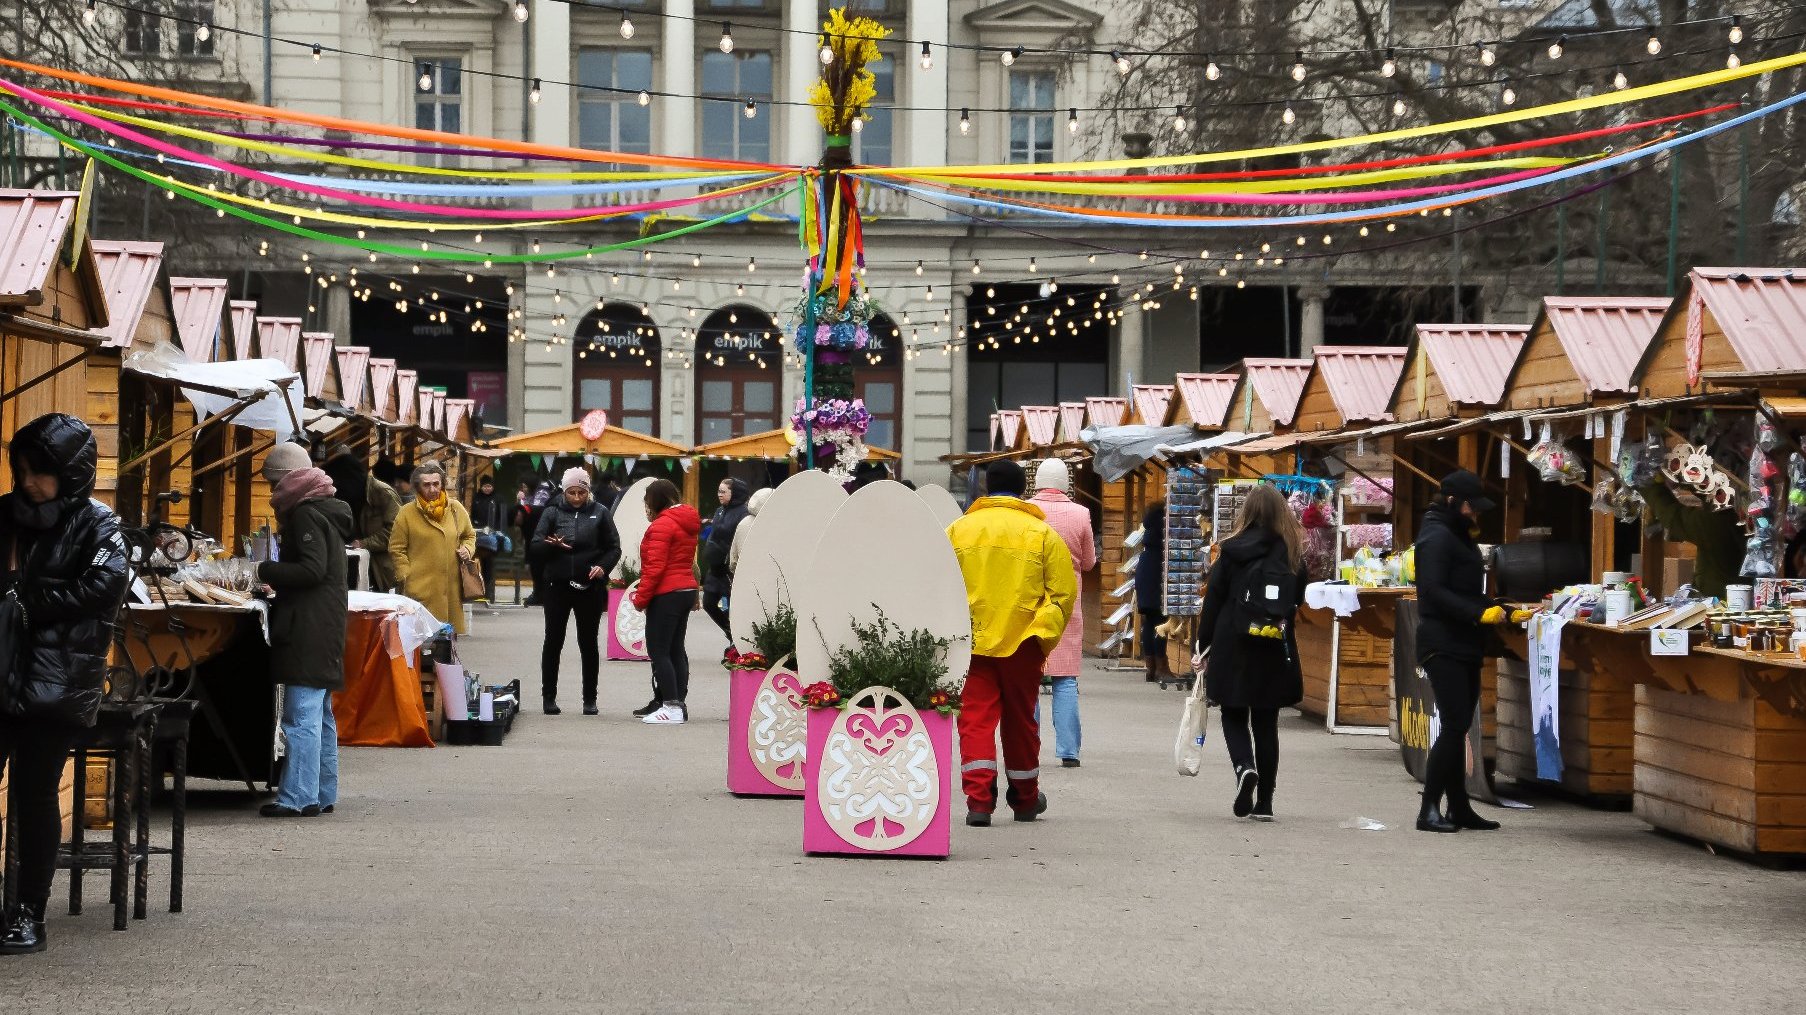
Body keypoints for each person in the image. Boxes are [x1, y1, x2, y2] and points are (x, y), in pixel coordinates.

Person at [0, 414, 130, 955]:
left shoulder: (100, 524)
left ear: (70, 472)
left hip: (53, 686)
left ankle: (29, 911)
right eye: (23, 469)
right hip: (1, 673)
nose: (30, 481)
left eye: (41, 471)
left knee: (33, 798)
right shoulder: (5, 516)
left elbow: (106, 583)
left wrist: (27, 604)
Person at [947, 459, 1077, 827]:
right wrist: (1041, 634)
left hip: (971, 642)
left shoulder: (958, 530)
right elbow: (1063, 594)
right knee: (1022, 722)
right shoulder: (1042, 534)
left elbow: (940, 584)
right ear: (1023, 489)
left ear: (986, 488)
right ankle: (1025, 800)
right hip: (1023, 643)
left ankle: (978, 802)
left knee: (974, 720)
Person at [1414, 470, 1531, 834]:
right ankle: (1428, 808)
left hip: (1463, 643)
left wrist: (1501, 608)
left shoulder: (1456, 535)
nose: (1475, 514)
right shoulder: (1435, 536)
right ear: (1452, 502)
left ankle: (1459, 806)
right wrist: (1477, 612)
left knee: (1460, 724)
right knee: (1452, 726)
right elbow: (1431, 591)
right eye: (1471, 507)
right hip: (1442, 643)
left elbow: (1464, 590)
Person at [1192, 484, 1307, 820]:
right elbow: (1296, 599)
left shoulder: (1230, 550)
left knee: (1233, 712)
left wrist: (1203, 645)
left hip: (1233, 642)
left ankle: (1244, 768)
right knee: (1266, 721)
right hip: (1272, 642)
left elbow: (1213, 600)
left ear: (1247, 512)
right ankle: (1266, 803)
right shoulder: (1292, 552)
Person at [255, 441, 354, 820]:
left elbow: (312, 570)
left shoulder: (306, 515)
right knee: (320, 715)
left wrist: (265, 570)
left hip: (308, 626)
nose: (271, 493)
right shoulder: (326, 511)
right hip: (324, 623)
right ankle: (321, 791)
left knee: (301, 717)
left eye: (272, 484)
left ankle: (297, 797)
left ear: (287, 480)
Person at [531, 468, 621, 715]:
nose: (577, 497)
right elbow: (536, 546)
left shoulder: (600, 512)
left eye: (582, 492)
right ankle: (548, 696)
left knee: (588, 643)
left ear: (588, 491)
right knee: (553, 640)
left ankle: (589, 699)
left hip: (588, 586)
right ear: (564, 491)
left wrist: (603, 567)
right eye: (572, 492)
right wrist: (552, 546)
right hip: (557, 585)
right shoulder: (552, 512)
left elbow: (614, 547)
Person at [1029, 459, 1096, 768]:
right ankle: (1069, 751)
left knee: (1029, 677)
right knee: (1065, 679)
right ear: (1066, 483)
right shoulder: (1081, 514)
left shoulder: (1026, 512)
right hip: (1067, 603)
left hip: (1030, 602)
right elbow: (1088, 563)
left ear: (1038, 481)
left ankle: (1029, 746)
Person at [632, 479, 700, 724]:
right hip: (684, 589)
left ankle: (670, 706)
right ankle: (678, 703)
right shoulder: (687, 521)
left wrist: (641, 598)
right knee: (675, 649)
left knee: (659, 650)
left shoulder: (662, 525)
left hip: (666, 592)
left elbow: (655, 567)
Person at [389, 464, 478, 634]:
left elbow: (469, 535)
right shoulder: (406, 513)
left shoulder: (455, 509)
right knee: (421, 646)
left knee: (447, 647)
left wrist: (467, 548)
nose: (433, 489)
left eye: (436, 484)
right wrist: (406, 575)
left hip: (451, 590)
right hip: (420, 588)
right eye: (427, 485)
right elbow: (396, 548)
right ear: (417, 487)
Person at [1640, 481, 1746, 598]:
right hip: (1736, 596)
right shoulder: (1746, 517)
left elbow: (1672, 515)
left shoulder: (1719, 521)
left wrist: (1645, 483)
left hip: (1718, 602)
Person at [321, 448, 401, 592]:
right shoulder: (352, 496)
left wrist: (363, 543)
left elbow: (396, 532)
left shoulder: (382, 493)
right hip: (358, 568)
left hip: (383, 571)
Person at [699, 478, 751, 640]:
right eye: (718, 491)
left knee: (729, 607)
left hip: (728, 569)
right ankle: (730, 633)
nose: (719, 495)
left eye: (723, 491)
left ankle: (736, 638)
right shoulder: (720, 510)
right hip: (714, 568)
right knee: (708, 603)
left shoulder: (743, 513)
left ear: (734, 493)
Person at [1135, 500, 1176, 683]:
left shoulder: (1149, 527)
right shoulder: (1164, 526)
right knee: (1161, 620)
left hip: (1146, 571)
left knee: (1150, 621)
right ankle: (1161, 667)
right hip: (1157, 572)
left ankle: (1151, 667)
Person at [468, 474, 509, 602]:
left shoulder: (498, 499)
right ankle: (475, 590)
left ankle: (488, 591)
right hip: (478, 533)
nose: (487, 489)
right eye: (485, 486)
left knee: (489, 564)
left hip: (493, 536)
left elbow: (502, 517)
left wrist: (497, 530)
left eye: (489, 486)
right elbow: (473, 514)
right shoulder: (476, 497)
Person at [519, 478, 556, 606]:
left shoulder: (542, 494)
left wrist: (522, 502)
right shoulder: (530, 495)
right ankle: (538, 592)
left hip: (542, 535)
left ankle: (541, 594)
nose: (523, 489)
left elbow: (535, 510)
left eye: (525, 486)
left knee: (539, 566)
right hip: (532, 534)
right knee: (534, 566)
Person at [727, 487, 773, 576]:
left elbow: (733, 560)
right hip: (771, 578)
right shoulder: (778, 524)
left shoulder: (743, 523)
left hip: (746, 577)